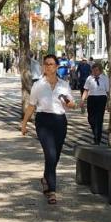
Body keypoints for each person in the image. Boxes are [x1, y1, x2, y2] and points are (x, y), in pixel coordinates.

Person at [20, 54, 74, 204]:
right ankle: (52, 190)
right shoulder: (38, 85)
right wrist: (24, 123)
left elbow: (71, 103)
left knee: (55, 156)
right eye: (46, 64)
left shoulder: (64, 84)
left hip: (60, 121)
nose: (48, 67)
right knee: (50, 154)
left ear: (57, 67)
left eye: (51, 64)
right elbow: (31, 105)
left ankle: (46, 177)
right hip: (43, 120)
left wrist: (70, 104)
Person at [83, 63, 109, 145]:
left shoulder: (105, 78)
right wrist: (82, 100)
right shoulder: (89, 78)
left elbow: (108, 91)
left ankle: (97, 139)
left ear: (100, 70)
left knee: (99, 119)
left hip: (101, 98)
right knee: (91, 119)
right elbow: (86, 90)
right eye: (93, 70)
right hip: (91, 98)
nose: (94, 72)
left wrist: (108, 103)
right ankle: (95, 132)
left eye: (96, 70)